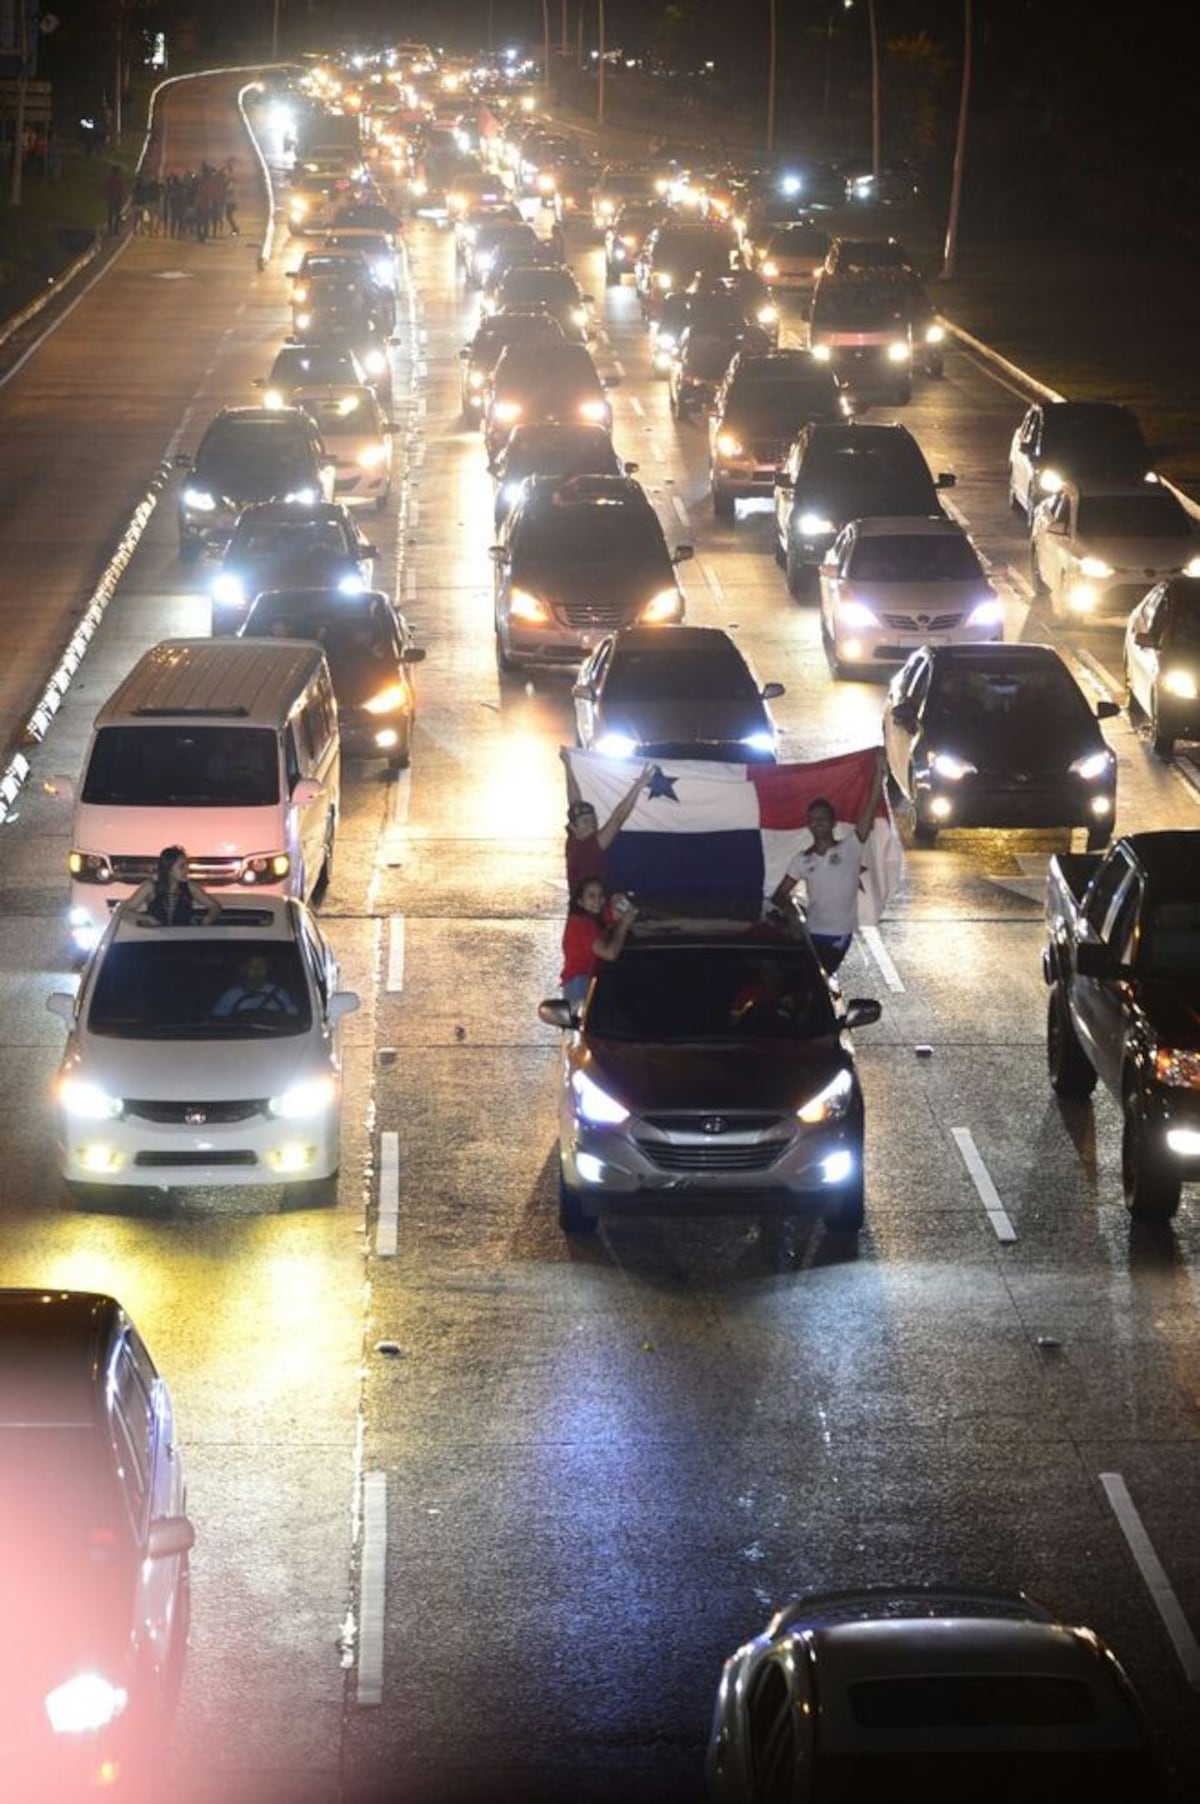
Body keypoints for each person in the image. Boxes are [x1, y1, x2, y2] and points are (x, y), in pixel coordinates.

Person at [771, 750, 888, 975]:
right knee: (804, 985)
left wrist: (879, 775)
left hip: (838, 934)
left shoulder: (850, 847)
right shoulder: (802, 860)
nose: (818, 823)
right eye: (813, 820)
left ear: (833, 823)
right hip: (810, 934)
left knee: (820, 979)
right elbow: (779, 894)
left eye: (823, 818)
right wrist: (793, 916)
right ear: (808, 825)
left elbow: (870, 808)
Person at [561, 750, 656, 890]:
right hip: (591, 909)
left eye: (593, 820)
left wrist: (567, 765)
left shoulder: (573, 840)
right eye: (586, 821)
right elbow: (618, 818)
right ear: (574, 827)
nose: (592, 825)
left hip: (582, 905)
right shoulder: (591, 845)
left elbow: (574, 801)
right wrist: (638, 786)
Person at [561, 880, 638, 1007]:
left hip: (590, 980)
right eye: (591, 896)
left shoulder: (594, 918)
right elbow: (609, 953)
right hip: (580, 984)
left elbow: (613, 914)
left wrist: (619, 903)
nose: (597, 900)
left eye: (601, 896)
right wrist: (623, 926)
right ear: (580, 901)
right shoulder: (581, 924)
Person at [128, 846, 222, 927]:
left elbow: (215, 906)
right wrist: (146, 918)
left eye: (187, 865)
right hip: (155, 941)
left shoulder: (190, 887)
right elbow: (125, 911)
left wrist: (207, 920)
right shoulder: (150, 886)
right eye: (181, 867)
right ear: (168, 869)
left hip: (183, 941)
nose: (187, 870)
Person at [213, 953, 299, 1018]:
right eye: (253, 966)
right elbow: (219, 1021)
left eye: (262, 966)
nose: (258, 970)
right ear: (242, 969)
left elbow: (292, 1018)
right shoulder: (230, 997)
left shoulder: (280, 994)